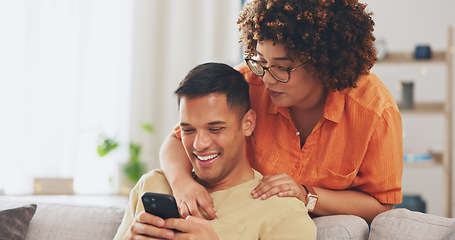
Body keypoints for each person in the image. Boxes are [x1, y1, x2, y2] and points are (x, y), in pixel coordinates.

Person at [159, 0, 403, 224]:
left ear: (323, 63)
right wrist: (183, 184)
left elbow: (381, 205)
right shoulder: (247, 83)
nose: (267, 78)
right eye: (261, 61)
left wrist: (306, 195)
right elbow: (177, 139)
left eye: (282, 67)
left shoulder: (374, 110)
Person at [114, 62, 317, 240]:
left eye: (215, 129)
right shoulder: (153, 185)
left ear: (247, 124)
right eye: (188, 129)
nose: (199, 144)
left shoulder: (282, 211)